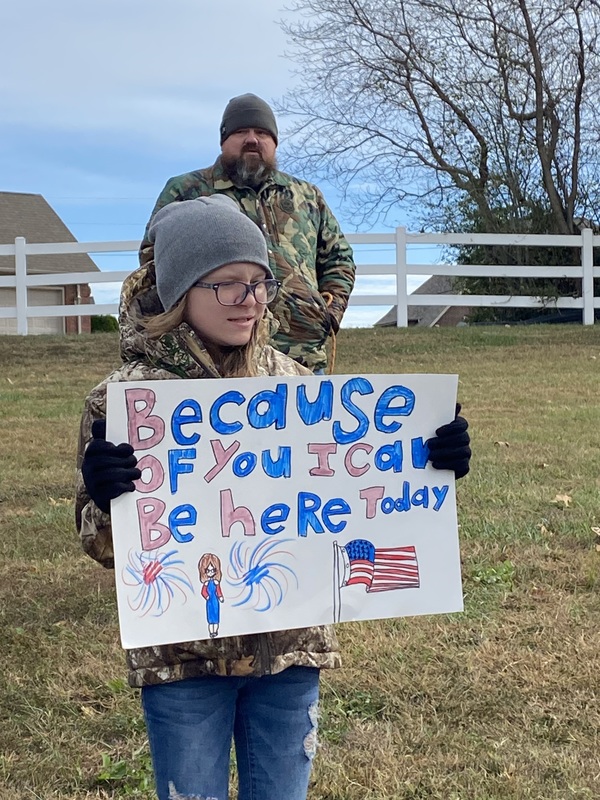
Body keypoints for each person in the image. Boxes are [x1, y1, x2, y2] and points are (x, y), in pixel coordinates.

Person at [76, 196, 471, 800]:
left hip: (289, 653)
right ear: (180, 290)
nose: (251, 300)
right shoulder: (124, 402)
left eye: (259, 282)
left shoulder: (296, 387)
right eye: (228, 284)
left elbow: (354, 493)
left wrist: (428, 463)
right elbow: (102, 547)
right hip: (183, 660)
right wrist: (107, 501)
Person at [119, 92, 356, 374]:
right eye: (241, 131)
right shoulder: (187, 190)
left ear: (275, 142)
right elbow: (156, 262)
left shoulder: (306, 195)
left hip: (303, 354)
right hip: (217, 361)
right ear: (223, 140)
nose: (252, 139)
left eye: (262, 133)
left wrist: (329, 312)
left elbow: (339, 257)